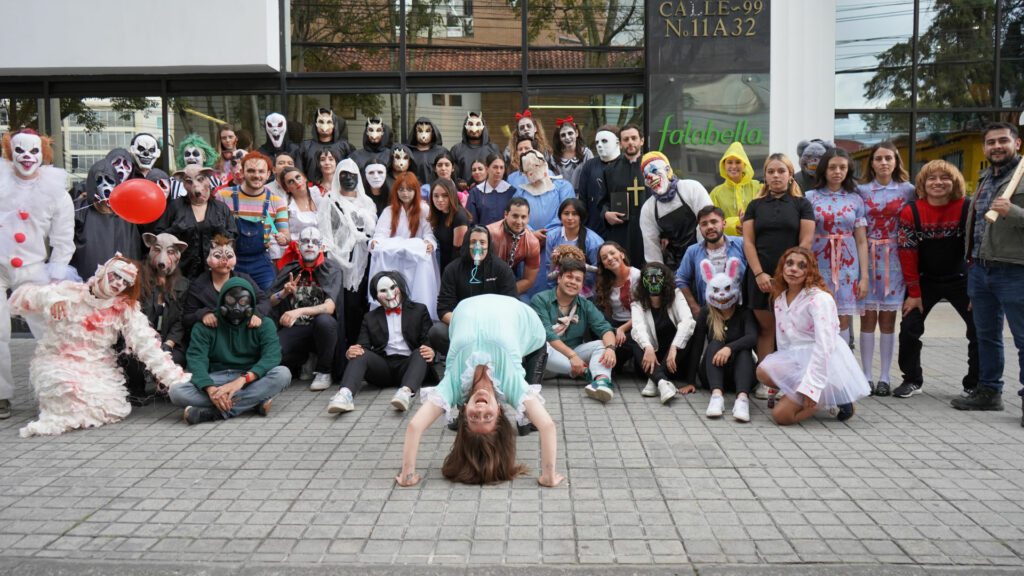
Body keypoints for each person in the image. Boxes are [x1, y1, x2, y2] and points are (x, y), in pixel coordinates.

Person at [396, 294, 563, 487]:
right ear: (498, 411)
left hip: (468, 304)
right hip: (528, 326)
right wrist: (548, 476)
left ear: (464, 410)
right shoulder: (511, 383)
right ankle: (523, 418)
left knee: (525, 423)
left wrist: (407, 475)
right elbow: (547, 426)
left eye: (474, 417)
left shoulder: (453, 384)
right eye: (487, 417)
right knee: (529, 421)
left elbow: (415, 426)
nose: (481, 410)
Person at [11, 256, 187, 437]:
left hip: (97, 367)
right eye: (116, 276)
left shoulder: (124, 309)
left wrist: (175, 379)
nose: (118, 284)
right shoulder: (69, 292)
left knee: (110, 406)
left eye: (125, 282)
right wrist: (50, 298)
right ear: (103, 271)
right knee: (64, 386)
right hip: (58, 360)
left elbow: (148, 346)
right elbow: (18, 297)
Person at [0, 129, 76, 420]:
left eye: (33, 151)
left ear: (43, 153)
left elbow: (63, 240)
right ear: (10, 152)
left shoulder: (56, 192)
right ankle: (1, 395)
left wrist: (56, 274)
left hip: (32, 269)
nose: (26, 157)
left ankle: (58, 392)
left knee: (48, 333)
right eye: (20, 150)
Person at [954, 122, 1024, 416]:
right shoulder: (985, 179)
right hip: (981, 270)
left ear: (1016, 144)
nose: (996, 146)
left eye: (1002, 141)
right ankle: (989, 391)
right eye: (991, 142)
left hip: (1015, 270)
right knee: (986, 336)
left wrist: (1014, 212)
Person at [757, 247, 871, 425]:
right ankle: (820, 395)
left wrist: (812, 387)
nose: (793, 269)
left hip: (823, 360)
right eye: (789, 263)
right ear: (782, 267)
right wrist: (789, 382)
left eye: (801, 266)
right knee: (763, 371)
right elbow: (784, 341)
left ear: (810, 271)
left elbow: (825, 346)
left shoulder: (819, 299)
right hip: (798, 359)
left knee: (782, 416)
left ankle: (832, 393)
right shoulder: (780, 299)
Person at [896, 160, 978, 399]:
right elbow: (907, 253)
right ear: (922, 184)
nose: (938, 182)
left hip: (961, 279)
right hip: (925, 280)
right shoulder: (910, 212)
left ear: (955, 182)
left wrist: (975, 289)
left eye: (945, 178)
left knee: (978, 328)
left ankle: (974, 383)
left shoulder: (968, 208)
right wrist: (914, 292)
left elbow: (975, 250)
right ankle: (912, 379)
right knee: (909, 328)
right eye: (932, 178)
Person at [742, 153, 814, 398]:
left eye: (781, 171)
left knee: (791, 331)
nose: (776, 176)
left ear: (790, 175)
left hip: (791, 277)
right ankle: (768, 381)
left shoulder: (802, 204)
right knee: (766, 330)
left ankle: (792, 381)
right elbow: (748, 242)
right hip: (760, 277)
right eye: (771, 171)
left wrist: (790, 276)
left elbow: (805, 241)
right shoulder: (755, 206)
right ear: (765, 175)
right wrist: (759, 274)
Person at [170, 277, 290, 424]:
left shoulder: (264, 324)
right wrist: (210, 389)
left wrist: (241, 380)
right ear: (221, 301)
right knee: (176, 391)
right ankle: (253, 401)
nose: (237, 307)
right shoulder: (204, 325)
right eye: (231, 301)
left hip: (248, 377)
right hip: (215, 378)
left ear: (251, 303)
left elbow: (272, 356)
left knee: (283, 374)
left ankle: (214, 413)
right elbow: (196, 361)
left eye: (243, 302)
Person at [328, 271, 433, 414]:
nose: (390, 294)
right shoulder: (370, 317)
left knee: (422, 352)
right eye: (383, 291)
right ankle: (345, 395)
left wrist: (431, 350)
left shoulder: (419, 310)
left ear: (400, 287)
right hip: (383, 367)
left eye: (393, 288)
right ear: (376, 296)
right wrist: (351, 352)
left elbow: (427, 339)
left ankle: (405, 392)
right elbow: (362, 346)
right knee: (360, 353)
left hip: (409, 365)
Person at [857, 141, 916, 396]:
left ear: (896, 162)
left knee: (889, 319)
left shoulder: (908, 190)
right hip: (867, 256)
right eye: (878, 158)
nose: (883, 162)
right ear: (871, 163)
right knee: (867, 317)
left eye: (888, 158)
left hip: (895, 259)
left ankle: (884, 377)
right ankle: (866, 376)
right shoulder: (861, 191)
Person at [805, 148, 868, 350]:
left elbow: (861, 241)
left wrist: (864, 276)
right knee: (817, 315)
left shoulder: (856, 199)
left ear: (848, 170)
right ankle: (820, 362)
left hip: (847, 266)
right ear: (824, 170)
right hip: (817, 263)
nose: (837, 172)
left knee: (843, 319)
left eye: (842, 167)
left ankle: (841, 363)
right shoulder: (809, 197)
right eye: (832, 167)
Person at [531, 258, 618, 402]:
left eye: (578, 280)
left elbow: (605, 328)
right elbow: (547, 334)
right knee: (541, 345)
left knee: (601, 345)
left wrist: (610, 348)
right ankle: (586, 373)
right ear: (559, 278)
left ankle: (601, 381)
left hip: (575, 355)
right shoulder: (540, 300)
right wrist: (572, 356)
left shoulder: (585, 305)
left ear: (582, 285)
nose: (573, 282)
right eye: (569, 277)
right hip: (547, 365)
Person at [268, 227, 342, 392]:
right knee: (275, 353)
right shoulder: (290, 269)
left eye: (315, 242)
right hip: (297, 328)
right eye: (305, 241)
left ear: (322, 247)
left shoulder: (331, 269)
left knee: (325, 322)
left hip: (322, 329)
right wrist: (283, 293)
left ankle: (324, 371)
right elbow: (270, 302)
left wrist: (299, 311)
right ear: (298, 245)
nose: (310, 245)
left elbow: (330, 307)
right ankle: (305, 359)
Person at [122, 233, 190, 405]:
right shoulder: (138, 280)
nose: (163, 259)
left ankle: (166, 386)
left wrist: (169, 344)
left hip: (167, 339)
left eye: (171, 252)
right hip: (141, 340)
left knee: (176, 357)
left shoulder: (183, 285)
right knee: (134, 358)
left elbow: (180, 320)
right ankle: (136, 388)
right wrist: (146, 343)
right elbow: (133, 315)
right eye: (157, 250)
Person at [317, 157, 378, 345]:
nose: (349, 179)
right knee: (337, 306)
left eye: (352, 175)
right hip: (336, 260)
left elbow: (372, 231)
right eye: (344, 175)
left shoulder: (367, 203)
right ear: (337, 177)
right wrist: (334, 256)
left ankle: (357, 345)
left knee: (356, 305)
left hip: (362, 261)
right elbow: (325, 233)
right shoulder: (329, 201)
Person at [687, 258, 756, 421]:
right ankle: (716, 397)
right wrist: (690, 381)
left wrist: (729, 348)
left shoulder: (744, 312)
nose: (722, 295)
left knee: (744, 350)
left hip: (740, 375)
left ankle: (742, 400)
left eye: (727, 289)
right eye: (717, 291)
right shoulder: (706, 312)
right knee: (715, 343)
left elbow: (752, 337)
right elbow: (697, 345)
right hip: (712, 375)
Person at [430, 226, 518, 355]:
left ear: (489, 245)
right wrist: (468, 323)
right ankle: (462, 359)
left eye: (482, 242)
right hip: (463, 325)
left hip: (493, 326)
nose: (478, 246)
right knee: (437, 332)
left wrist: (488, 325)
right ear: (467, 244)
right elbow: (444, 309)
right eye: (473, 242)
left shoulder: (502, 269)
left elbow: (512, 305)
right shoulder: (452, 269)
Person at [370, 172, 441, 320]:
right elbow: (380, 234)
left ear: (416, 191)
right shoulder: (389, 211)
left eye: (409, 189)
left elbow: (429, 234)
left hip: (415, 260)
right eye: (401, 189)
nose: (405, 193)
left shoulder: (424, 209)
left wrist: (430, 243)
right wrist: (375, 242)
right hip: (394, 259)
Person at [216, 151, 289, 290]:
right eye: (251, 171)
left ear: (268, 174)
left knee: (270, 295)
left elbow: (286, 236)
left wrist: (283, 238)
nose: (256, 175)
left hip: (261, 263)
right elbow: (214, 233)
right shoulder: (223, 196)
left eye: (261, 171)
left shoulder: (277, 202)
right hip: (230, 260)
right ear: (242, 172)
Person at [630, 263, 696, 405]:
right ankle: (661, 382)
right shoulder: (637, 302)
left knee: (687, 334)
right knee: (635, 338)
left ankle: (655, 381)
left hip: (674, 361)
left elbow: (687, 321)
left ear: (665, 279)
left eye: (658, 277)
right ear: (643, 281)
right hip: (650, 361)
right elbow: (638, 328)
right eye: (649, 278)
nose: (653, 281)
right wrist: (648, 347)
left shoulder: (676, 295)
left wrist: (674, 347)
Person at [182, 235, 270, 337]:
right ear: (208, 259)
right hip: (215, 335)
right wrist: (203, 314)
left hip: (243, 332)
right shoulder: (198, 285)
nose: (224, 260)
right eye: (217, 256)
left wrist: (256, 314)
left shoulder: (244, 279)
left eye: (229, 256)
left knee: (267, 324)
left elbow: (264, 301)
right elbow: (187, 317)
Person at [160, 164, 237, 280]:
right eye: (189, 181)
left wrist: (221, 232)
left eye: (200, 179)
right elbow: (159, 236)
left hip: (214, 274)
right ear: (183, 183)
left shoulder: (220, 208)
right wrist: (174, 230)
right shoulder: (175, 207)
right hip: (181, 273)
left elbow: (233, 236)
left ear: (208, 179)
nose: (196, 187)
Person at [638, 151, 712, 269]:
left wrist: (703, 260)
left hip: (704, 256)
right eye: (646, 176)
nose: (650, 178)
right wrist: (657, 278)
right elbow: (652, 251)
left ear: (667, 170)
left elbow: (708, 222)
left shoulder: (691, 188)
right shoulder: (648, 209)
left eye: (654, 171)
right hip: (675, 265)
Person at [675, 206, 746, 316]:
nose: (709, 227)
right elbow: (681, 279)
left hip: (742, 309)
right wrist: (694, 307)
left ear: (724, 224)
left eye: (714, 222)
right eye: (704, 224)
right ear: (700, 228)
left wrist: (749, 230)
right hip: (710, 313)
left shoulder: (741, 243)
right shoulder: (692, 251)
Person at [530, 198, 603, 300]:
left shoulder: (594, 241)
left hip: (586, 294)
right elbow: (549, 267)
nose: (570, 218)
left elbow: (596, 273)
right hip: (559, 291)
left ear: (581, 217)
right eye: (566, 213)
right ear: (560, 216)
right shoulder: (552, 236)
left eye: (574, 214)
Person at [599, 124, 648, 266]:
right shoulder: (610, 170)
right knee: (622, 269)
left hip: (648, 231)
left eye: (634, 138)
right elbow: (602, 202)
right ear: (620, 144)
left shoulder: (652, 167)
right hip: (621, 232)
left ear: (642, 141)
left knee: (650, 270)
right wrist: (606, 214)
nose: (630, 142)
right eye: (626, 139)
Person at [513, 149, 575, 247]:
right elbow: (515, 214)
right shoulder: (520, 192)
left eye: (536, 166)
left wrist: (548, 234)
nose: (533, 171)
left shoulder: (563, 187)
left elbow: (567, 211)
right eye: (528, 170)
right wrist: (531, 233)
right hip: (529, 242)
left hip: (558, 241)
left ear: (544, 164)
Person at [593, 241, 640, 369]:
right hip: (615, 324)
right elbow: (607, 314)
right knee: (592, 310)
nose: (609, 258)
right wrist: (611, 332)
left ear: (622, 255)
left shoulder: (637, 276)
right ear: (604, 264)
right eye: (604, 257)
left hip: (636, 324)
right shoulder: (605, 281)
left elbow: (644, 313)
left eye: (612, 253)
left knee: (624, 344)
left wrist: (622, 329)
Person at [486, 197, 541, 298]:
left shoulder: (532, 242)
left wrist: (505, 293)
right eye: (515, 216)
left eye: (523, 217)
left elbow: (529, 280)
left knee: (525, 303)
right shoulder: (489, 233)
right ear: (506, 214)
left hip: (508, 284)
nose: (519, 221)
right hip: (484, 281)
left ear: (528, 218)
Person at [710, 142, 760, 237]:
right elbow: (712, 221)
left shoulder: (758, 187)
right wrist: (735, 225)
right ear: (724, 164)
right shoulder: (716, 193)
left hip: (757, 240)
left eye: (738, 162)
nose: (733, 166)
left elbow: (767, 213)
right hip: (728, 243)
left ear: (744, 164)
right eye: (730, 162)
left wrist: (749, 225)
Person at [578, 125, 621, 235]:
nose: (599, 145)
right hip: (594, 227)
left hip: (621, 226)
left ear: (617, 142)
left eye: (604, 141)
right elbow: (583, 198)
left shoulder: (625, 164)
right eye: (597, 142)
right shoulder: (589, 166)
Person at [296, 108, 352, 181]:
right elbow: (299, 171)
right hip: (311, 187)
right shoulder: (305, 146)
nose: (324, 125)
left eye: (329, 122)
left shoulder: (344, 146)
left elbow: (349, 170)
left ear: (334, 124)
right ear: (316, 124)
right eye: (321, 122)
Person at [428, 177, 470, 272]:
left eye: (445, 195)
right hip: (442, 264)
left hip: (455, 269)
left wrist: (448, 275)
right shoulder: (439, 212)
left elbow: (458, 253)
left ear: (452, 195)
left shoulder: (459, 216)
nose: (440, 200)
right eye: (436, 196)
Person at [449, 112, 501, 184]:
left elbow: (499, 172)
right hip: (463, 190)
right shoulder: (456, 150)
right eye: (470, 124)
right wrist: (459, 182)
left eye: (478, 124)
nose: (474, 128)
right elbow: (451, 173)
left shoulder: (493, 149)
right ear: (465, 127)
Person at [466, 153, 517, 226]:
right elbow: (471, 221)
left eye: (501, 168)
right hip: (482, 232)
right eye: (495, 167)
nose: (498, 171)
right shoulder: (476, 192)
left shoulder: (511, 191)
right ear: (487, 169)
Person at [550, 115, 593, 191]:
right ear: (560, 138)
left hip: (583, 195)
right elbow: (554, 182)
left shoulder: (586, 154)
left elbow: (591, 178)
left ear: (576, 133)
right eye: (563, 135)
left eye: (570, 133)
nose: (567, 137)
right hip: (563, 196)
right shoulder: (554, 157)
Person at [407, 117, 447, 186]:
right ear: (415, 133)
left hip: (437, 189)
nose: (423, 135)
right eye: (420, 131)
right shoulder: (409, 153)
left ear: (433, 133)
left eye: (427, 131)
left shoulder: (441, 152)